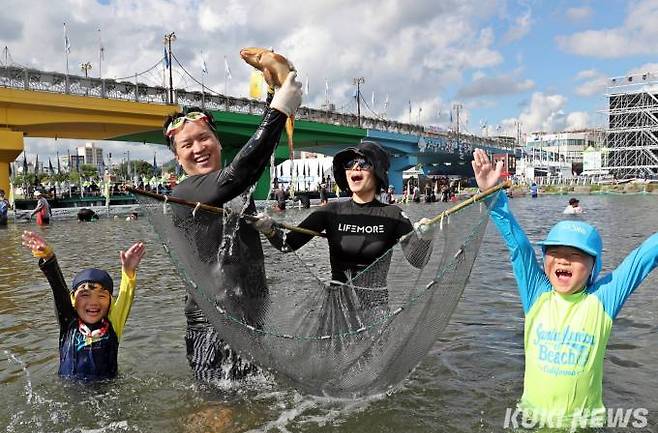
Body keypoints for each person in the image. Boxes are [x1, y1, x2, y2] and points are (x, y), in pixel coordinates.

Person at [471, 148, 658, 428]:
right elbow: (518, 246)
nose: (563, 260)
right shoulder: (536, 294)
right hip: (530, 424)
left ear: (593, 267)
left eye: (575, 255)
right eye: (554, 253)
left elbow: (642, 257)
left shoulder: (602, 300)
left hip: (583, 429)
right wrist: (493, 195)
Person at [164, 70, 302, 381]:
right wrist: (279, 108)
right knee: (217, 417)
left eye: (204, 138)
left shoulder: (234, 192)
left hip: (252, 320)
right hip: (212, 323)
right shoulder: (185, 192)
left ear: (217, 141)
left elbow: (253, 158)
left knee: (257, 416)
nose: (198, 147)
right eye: (187, 145)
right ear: (177, 156)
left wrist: (272, 94)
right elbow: (240, 172)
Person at [250, 141, 432, 284]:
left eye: (363, 163)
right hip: (337, 311)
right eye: (350, 163)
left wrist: (425, 238)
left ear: (377, 173)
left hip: (374, 312)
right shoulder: (331, 212)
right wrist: (269, 230)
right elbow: (287, 245)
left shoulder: (394, 215)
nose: (355, 168)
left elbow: (418, 262)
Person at [21, 230, 145, 379]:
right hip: (70, 393)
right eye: (85, 295)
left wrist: (128, 271)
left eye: (101, 295)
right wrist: (49, 258)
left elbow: (126, 297)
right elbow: (58, 289)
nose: (93, 302)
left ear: (111, 302)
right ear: (73, 299)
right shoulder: (69, 323)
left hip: (108, 394)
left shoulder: (113, 323)